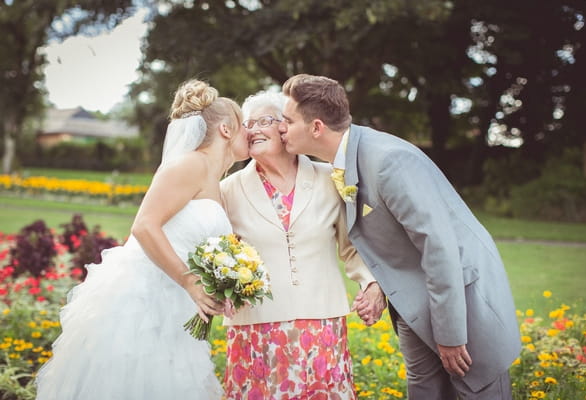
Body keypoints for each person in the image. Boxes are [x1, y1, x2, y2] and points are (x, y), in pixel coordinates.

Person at [278, 74, 521, 400]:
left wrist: (450, 335)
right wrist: (376, 285)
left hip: (460, 303)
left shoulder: (388, 161)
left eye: (288, 120)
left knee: (475, 392)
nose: (281, 127)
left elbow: (439, 246)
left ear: (317, 127)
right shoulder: (345, 163)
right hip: (411, 302)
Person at [35, 79, 249, 400]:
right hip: (143, 302)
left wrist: (219, 286)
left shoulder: (215, 179)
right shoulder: (190, 164)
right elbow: (145, 226)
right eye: (244, 124)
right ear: (226, 130)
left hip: (175, 306)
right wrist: (190, 281)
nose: (251, 132)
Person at [219, 90, 382, 399]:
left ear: (285, 128)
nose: (252, 129)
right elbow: (215, 252)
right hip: (255, 328)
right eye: (247, 123)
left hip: (321, 324)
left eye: (263, 121)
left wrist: (371, 284)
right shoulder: (227, 190)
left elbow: (352, 247)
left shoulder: (329, 178)